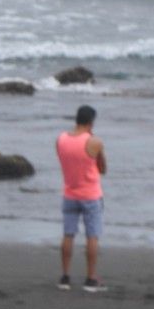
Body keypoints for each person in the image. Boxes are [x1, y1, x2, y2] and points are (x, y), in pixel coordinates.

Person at [56, 104, 107, 292]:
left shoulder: (61, 139)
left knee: (68, 234)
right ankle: (91, 278)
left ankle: (65, 276)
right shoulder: (94, 142)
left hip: (69, 192)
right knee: (92, 236)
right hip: (90, 194)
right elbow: (103, 168)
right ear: (91, 122)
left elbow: (64, 161)